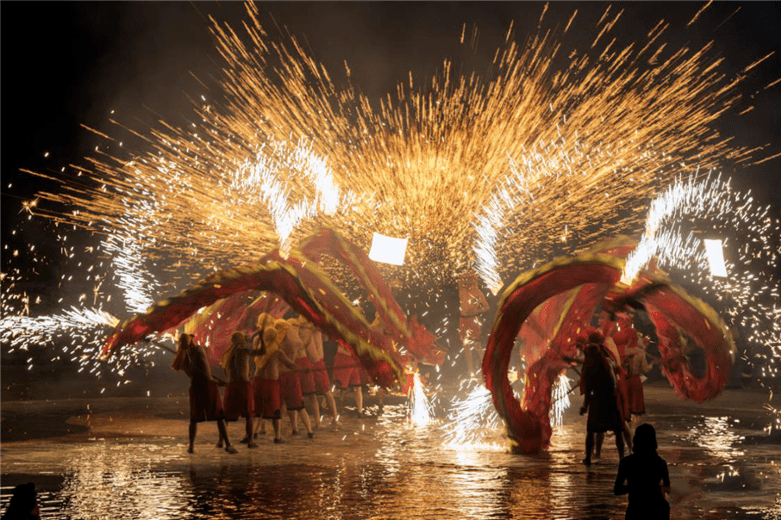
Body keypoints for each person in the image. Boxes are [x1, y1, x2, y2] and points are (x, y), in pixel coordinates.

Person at [171, 333, 237, 454]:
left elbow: (201, 371)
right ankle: (191, 446)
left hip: (207, 385)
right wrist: (183, 359)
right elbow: (193, 373)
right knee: (195, 418)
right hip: (198, 386)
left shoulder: (198, 351)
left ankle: (227, 444)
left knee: (219, 416)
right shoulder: (186, 354)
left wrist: (216, 382)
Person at [252, 314, 299, 443]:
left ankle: (253, 433)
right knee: (275, 410)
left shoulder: (258, 345)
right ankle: (277, 436)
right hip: (271, 382)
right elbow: (290, 364)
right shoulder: (276, 351)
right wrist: (304, 369)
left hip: (258, 380)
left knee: (257, 408)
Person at [580, 333, 625, 465]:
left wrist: (585, 406)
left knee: (591, 431)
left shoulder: (591, 366)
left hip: (599, 400)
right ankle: (622, 457)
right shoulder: (609, 359)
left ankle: (588, 458)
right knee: (618, 431)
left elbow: (588, 390)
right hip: (611, 399)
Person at [614, 423, 671, 520]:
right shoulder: (661, 463)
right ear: (654, 441)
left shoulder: (627, 462)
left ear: (636, 440)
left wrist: (632, 487)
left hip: (636, 509)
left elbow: (617, 490)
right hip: (659, 509)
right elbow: (667, 487)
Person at [221, 331, 263, 448]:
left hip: (232, 385)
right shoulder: (243, 350)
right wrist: (262, 339)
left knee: (227, 416)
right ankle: (250, 441)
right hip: (243, 385)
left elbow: (227, 372)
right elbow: (261, 352)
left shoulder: (229, 353)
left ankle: (221, 440)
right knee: (249, 414)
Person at [297, 316, 339, 427]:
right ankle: (317, 421)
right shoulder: (306, 327)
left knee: (325, 391)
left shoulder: (312, 328)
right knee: (312, 394)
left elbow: (303, 344)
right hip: (308, 363)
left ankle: (334, 417)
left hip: (316, 363)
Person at [279, 317, 316, 438]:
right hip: (291, 375)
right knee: (297, 406)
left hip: (284, 375)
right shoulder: (294, 343)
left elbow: (289, 363)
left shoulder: (279, 344)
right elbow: (292, 363)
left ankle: (282, 432)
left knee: (286, 405)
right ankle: (305, 430)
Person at [457, 271, 489, 378]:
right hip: (463, 320)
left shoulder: (477, 292)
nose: (469, 281)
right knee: (466, 346)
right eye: (468, 279)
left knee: (477, 345)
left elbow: (486, 307)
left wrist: (476, 310)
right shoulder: (462, 291)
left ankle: (486, 367)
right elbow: (460, 280)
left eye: (471, 279)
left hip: (472, 320)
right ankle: (471, 372)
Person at [624, 335, 654, 421]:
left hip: (624, 380)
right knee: (637, 410)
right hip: (635, 380)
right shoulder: (640, 353)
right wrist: (652, 364)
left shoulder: (622, 350)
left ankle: (626, 431)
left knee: (625, 408)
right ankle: (636, 431)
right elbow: (646, 369)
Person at [331, 342, 364, 418]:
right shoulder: (344, 333)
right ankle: (323, 407)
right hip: (343, 359)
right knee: (337, 387)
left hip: (352, 360)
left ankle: (360, 412)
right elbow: (340, 348)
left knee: (358, 387)